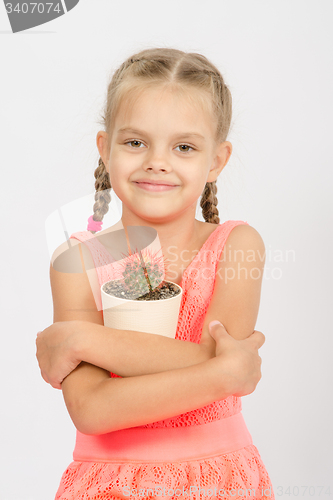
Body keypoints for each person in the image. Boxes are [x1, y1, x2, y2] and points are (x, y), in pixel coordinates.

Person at [36, 47, 274, 499]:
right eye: (135, 142)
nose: (157, 162)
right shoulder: (77, 261)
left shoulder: (237, 246)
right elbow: (92, 410)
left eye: (184, 147)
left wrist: (85, 340)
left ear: (216, 161)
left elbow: (214, 356)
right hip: (109, 485)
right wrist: (224, 375)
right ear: (106, 149)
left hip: (221, 481)